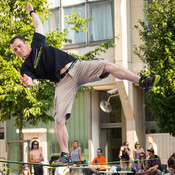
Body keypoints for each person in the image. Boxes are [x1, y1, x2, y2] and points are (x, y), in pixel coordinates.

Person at [10, 2, 160, 165]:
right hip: (62, 83)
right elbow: (30, 82)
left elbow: (38, 24)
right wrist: (27, 83)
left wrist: (32, 11)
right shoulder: (25, 67)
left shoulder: (37, 43)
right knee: (59, 120)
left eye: (19, 46)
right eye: (15, 50)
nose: (18, 50)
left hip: (76, 68)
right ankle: (65, 154)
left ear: (25, 44)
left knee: (108, 65)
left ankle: (142, 81)